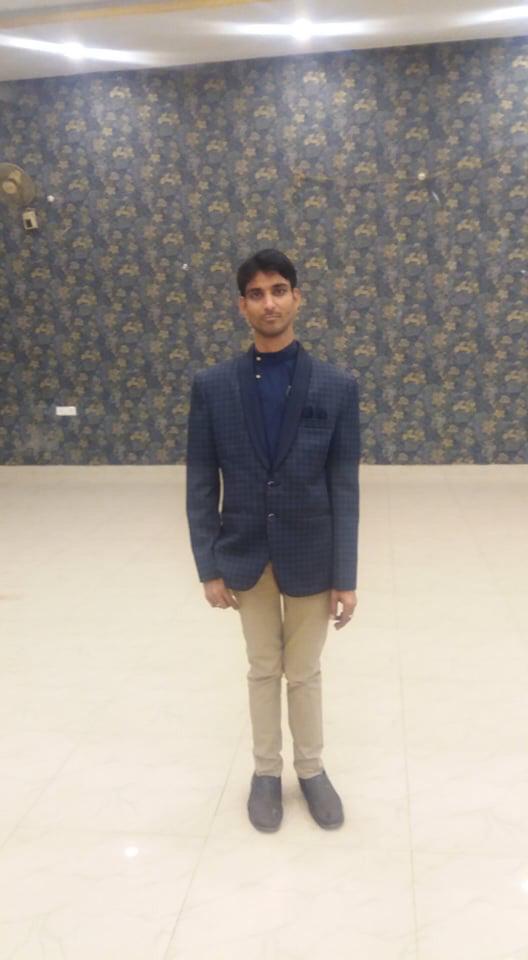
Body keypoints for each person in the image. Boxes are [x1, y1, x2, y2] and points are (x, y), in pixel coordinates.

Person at [186, 249, 361, 832]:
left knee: (304, 671)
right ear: (242, 306)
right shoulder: (212, 387)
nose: (269, 303)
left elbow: (344, 485)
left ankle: (311, 770)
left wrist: (346, 576)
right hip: (244, 553)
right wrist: (209, 565)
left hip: (312, 553)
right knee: (263, 667)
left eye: (279, 290)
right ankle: (266, 772)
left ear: (297, 298)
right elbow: (199, 481)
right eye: (256, 294)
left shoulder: (336, 385)